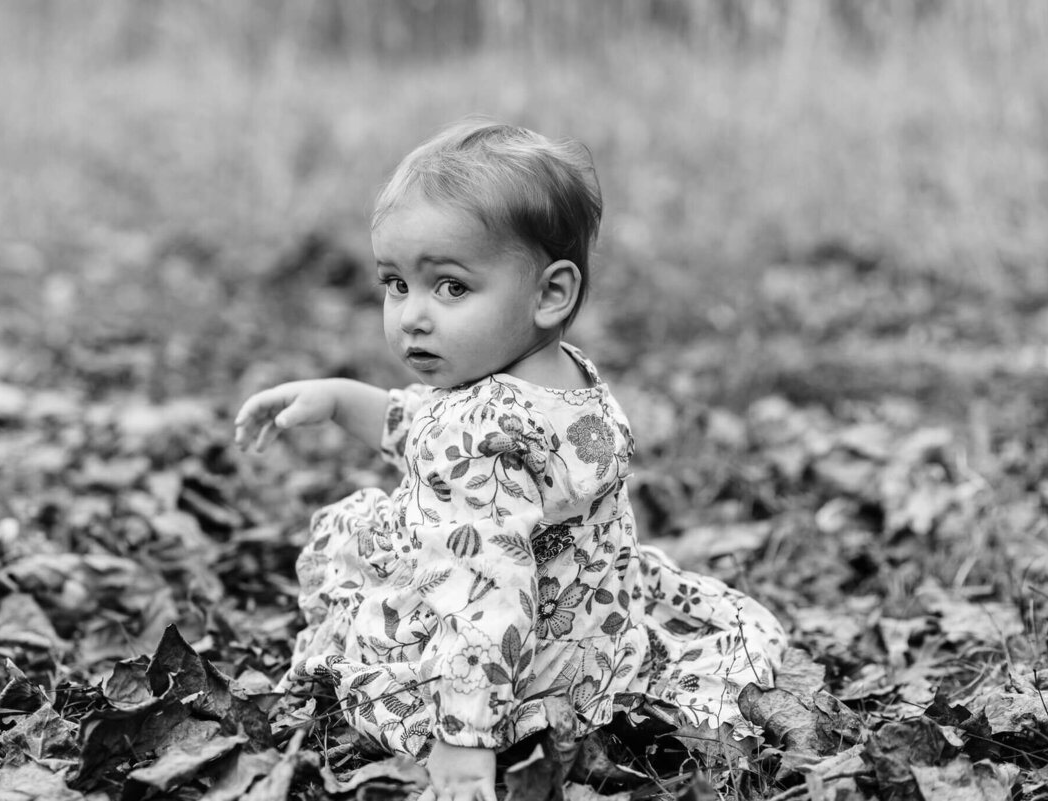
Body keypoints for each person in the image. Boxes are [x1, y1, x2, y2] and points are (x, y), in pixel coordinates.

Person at [235, 119, 785, 801]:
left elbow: (481, 591)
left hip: (509, 670)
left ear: (551, 293)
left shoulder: (480, 435)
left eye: (451, 288)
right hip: (590, 635)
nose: (412, 316)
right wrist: (341, 399)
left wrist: (463, 743)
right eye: (395, 284)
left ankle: (472, 718)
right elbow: (430, 425)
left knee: (373, 570)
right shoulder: (564, 382)